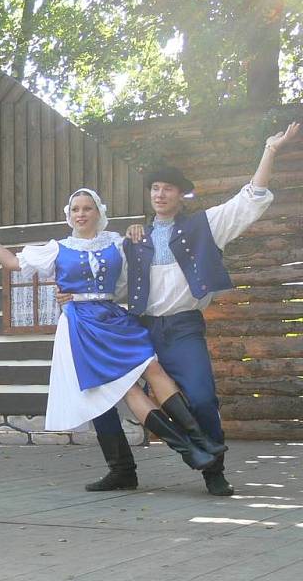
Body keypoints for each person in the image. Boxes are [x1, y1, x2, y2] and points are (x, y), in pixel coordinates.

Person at [90, 122, 299, 497]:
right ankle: (121, 470)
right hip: (142, 329)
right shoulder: (133, 240)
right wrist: (74, 297)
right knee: (102, 391)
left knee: (202, 398)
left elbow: (249, 199)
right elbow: (115, 286)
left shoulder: (205, 226)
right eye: (154, 188)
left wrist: (270, 150)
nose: (160, 193)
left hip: (184, 328)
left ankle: (213, 470)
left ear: (180, 195)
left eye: (167, 188)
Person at [0, 189, 227, 478]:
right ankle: (188, 450)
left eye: (87, 208)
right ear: (68, 215)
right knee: (124, 388)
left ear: (98, 213)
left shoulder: (117, 244)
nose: (80, 214)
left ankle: (200, 441)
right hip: (82, 325)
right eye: (75, 209)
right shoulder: (58, 248)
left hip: (115, 318)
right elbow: (13, 262)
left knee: (152, 366)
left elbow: (141, 275)